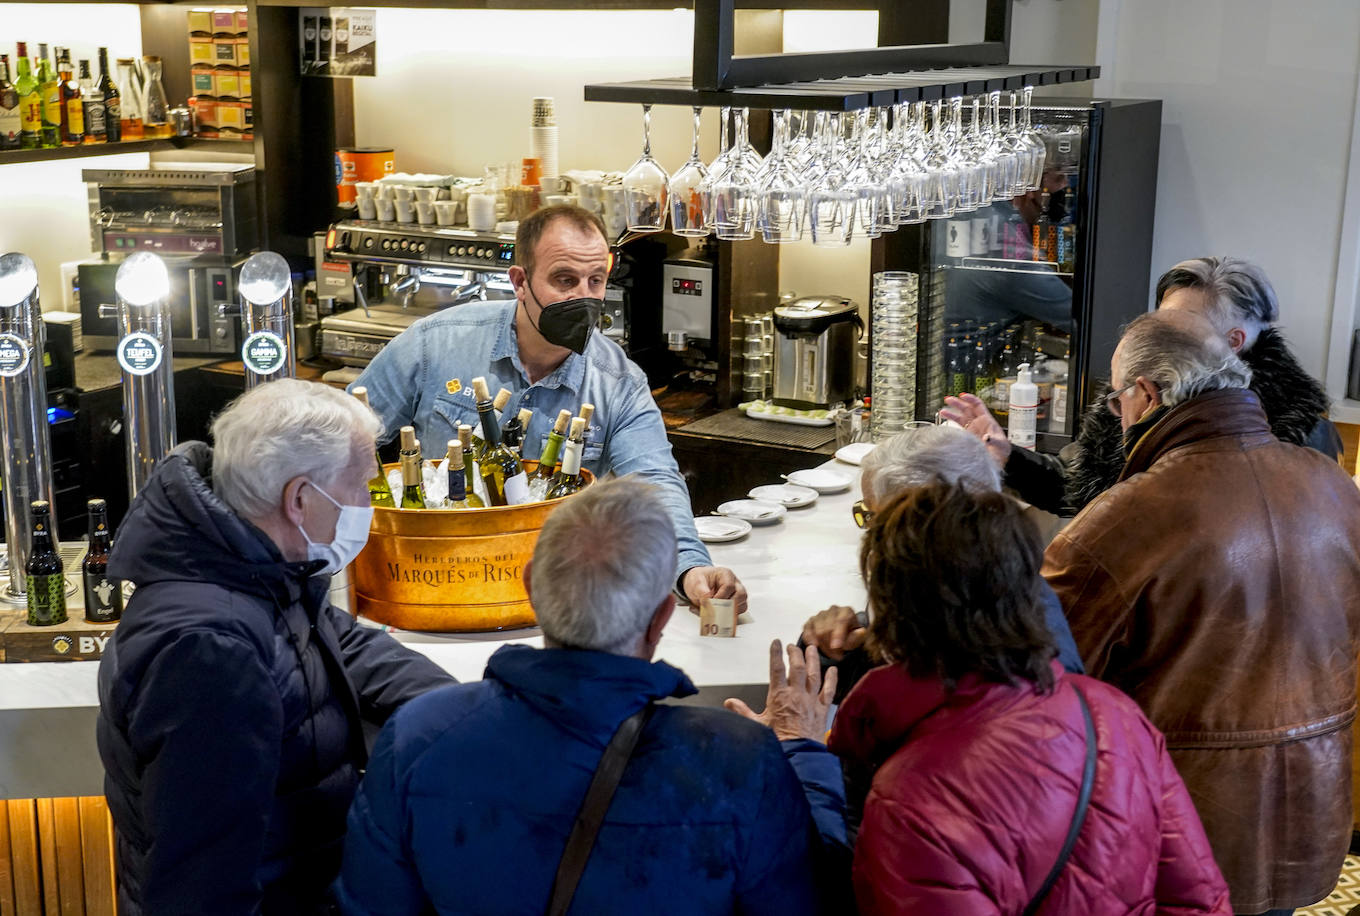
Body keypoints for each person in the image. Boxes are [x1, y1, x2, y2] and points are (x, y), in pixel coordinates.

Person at [729, 483, 1231, 915]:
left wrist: (798, 751)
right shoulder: (1111, 711)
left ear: (891, 607)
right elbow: (1198, 898)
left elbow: (831, 891)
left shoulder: (913, 796)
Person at [334, 477, 823, 915]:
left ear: (531, 587)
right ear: (660, 618)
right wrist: (803, 751)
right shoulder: (738, 760)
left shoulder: (417, 737)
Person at [1042, 312, 1360, 915]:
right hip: (1311, 813)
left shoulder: (1126, 517)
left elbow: (1039, 678)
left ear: (1145, 394)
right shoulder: (1333, 487)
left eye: (1116, 400)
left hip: (1182, 827)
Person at [96, 379, 455, 916]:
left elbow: (341, 640)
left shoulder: (254, 571)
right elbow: (203, 884)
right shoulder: (209, 651)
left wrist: (461, 710)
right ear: (301, 499)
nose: (367, 505)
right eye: (360, 487)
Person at [355, 204, 744, 612]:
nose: (583, 296)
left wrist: (689, 568)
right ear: (520, 282)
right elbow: (340, 441)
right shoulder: (435, 345)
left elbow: (654, 484)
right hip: (434, 581)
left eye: (596, 281)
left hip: (558, 601)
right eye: (564, 280)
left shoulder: (618, 382)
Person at [941, 255, 1342, 515]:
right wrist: (1008, 457)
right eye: (1159, 319)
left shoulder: (1296, 433)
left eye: (1181, 327)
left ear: (1234, 343)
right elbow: (1080, 489)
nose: (1154, 334)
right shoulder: (1138, 390)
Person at [799, 424, 1083, 699]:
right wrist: (828, 648)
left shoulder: (1001, 657)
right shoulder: (984, 585)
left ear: (936, 517)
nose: (871, 535)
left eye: (878, 518)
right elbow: (870, 674)